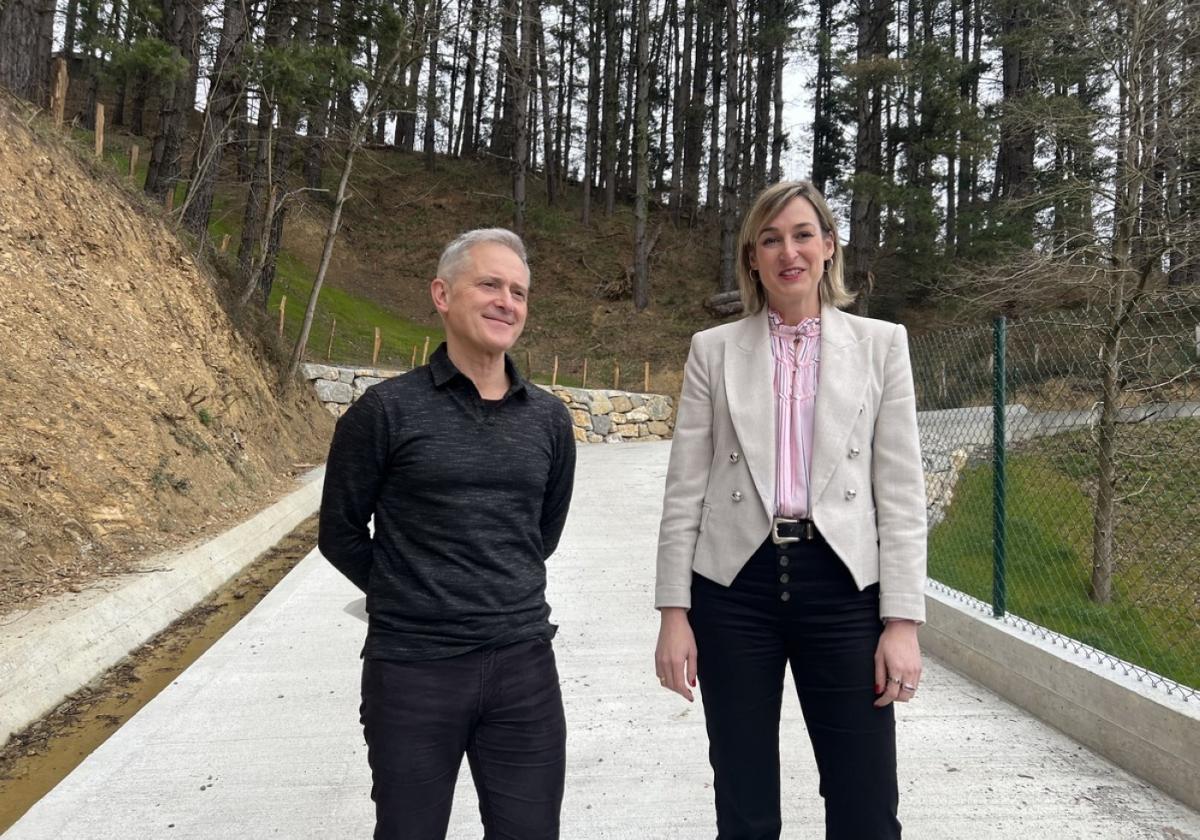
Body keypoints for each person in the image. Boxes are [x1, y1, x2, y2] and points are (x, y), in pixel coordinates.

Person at [654, 181, 926, 839]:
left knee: (866, 806)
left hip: (843, 589)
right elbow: (684, 489)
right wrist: (672, 614)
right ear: (752, 257)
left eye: (803, 234)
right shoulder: (711, 352)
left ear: (829, 247)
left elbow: (900, 492)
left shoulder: (882, 345)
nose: (788, 252)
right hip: (734, 592)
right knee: (744, 809)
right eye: (770, 239)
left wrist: (903, 622)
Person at [318, 228, 576, 840]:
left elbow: (541, 533)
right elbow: (340, 531)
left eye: (518, 291)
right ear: (442, 294)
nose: (506, 301)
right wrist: (414, 592)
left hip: (523, 669)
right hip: (412, 673)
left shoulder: (548, 419)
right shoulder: (385, 412)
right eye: (489, 284)